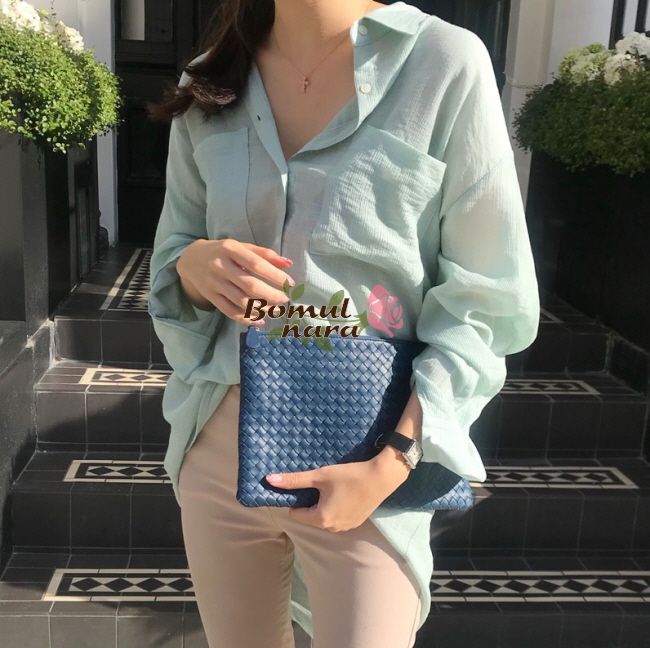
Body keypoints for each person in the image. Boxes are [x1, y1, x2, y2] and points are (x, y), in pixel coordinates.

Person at [146, 1, 541, 647]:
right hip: (217, 446)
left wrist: (396, 459)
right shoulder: (212, 77)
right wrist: (194, 265)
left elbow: (486, 300)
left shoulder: (442, 62)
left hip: (370, 456)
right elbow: (174, 245)